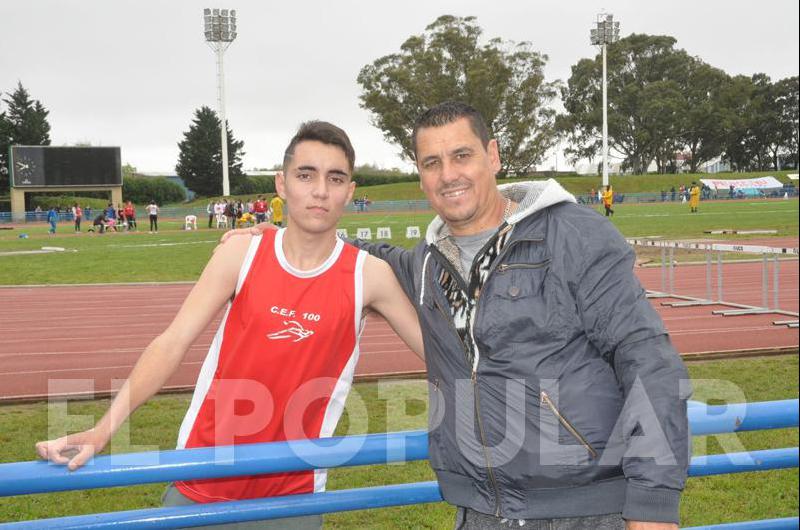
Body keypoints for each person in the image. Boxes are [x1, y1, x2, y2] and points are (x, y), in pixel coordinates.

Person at [227, 102, 689, 530]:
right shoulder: (427, 262)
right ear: (421, 175)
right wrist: (279, 238)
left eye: (462, 156)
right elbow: (364, 257)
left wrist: (653, 500)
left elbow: (648, 360)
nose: (449, 175)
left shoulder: (571, 234)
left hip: (583, 511)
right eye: (432, 163)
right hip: (479, 512)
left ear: (493, 156)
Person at [35, 121, 424, 530]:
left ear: (350, 190)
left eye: (335, 178)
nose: (320, 190)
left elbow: (440, 354)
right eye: (306, 175)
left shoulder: (370, 276)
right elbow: (172, 342)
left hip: (293, 493)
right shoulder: (241, 253)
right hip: (204, 475)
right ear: (282, 183)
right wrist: (103, 429)